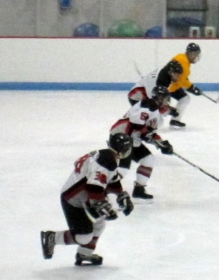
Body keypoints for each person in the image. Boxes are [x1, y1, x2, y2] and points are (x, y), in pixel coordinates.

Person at [40, 133, 134, 266]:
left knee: (99, 224)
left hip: (81, 195)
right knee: (83, 237)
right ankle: (53, 238)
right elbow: (94, 187)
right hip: (73, 199)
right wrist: (100, 205)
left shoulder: (105, 155)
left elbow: (110, 178)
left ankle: (84, 254)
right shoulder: (107, 161)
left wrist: (120, 194)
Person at [110, 85, 174, 200]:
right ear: (159, 98)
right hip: (121, 136)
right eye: (164, 98)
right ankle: (99, 188)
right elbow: (136, 124)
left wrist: (162, 143)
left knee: (148, 159)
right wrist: (147, 136)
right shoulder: (148, 105)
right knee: (123, 169)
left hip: (132, 140)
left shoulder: (158, 116)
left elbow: (149, 132)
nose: (166, 101)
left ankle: (139, 189)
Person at [166, 42, 203, 128]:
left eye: (197, 54)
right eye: (194, 54)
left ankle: (175, 120)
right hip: (168, 86)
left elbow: (182, 77)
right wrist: (192, 87)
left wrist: (191, 86)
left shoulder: (182, 57)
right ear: (189, 52)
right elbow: (181, 80)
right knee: (161, 105)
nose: (195, 57)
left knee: (185, 98)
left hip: (173, 85)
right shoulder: (183, 61)